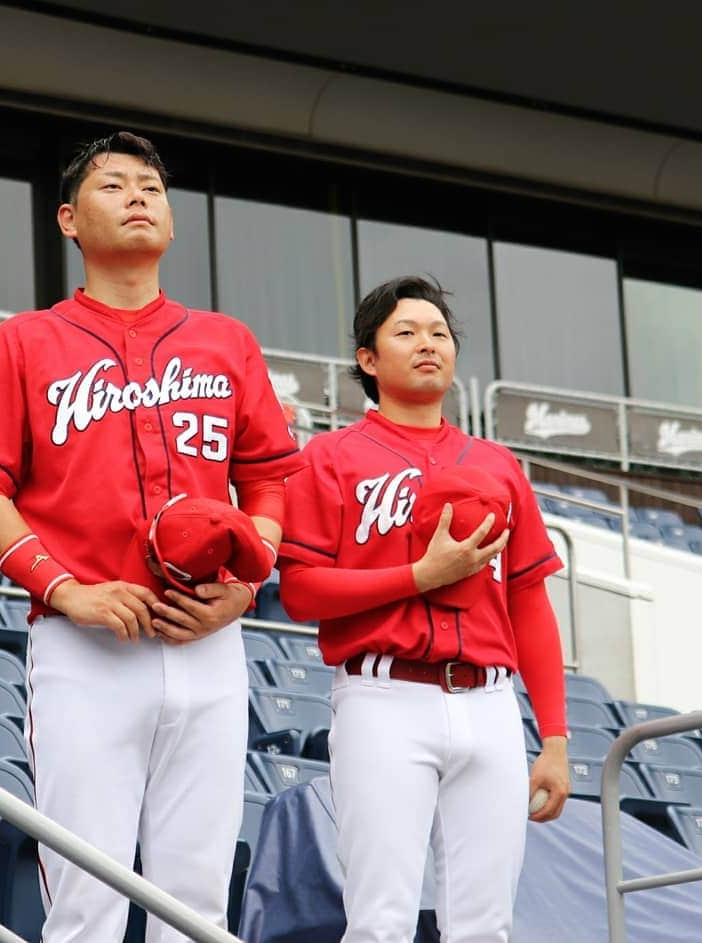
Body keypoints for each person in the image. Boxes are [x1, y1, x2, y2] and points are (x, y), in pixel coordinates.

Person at [0, 132, 301, 942]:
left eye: (152, 187)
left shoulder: (226, 340)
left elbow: (271, 478)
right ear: (68, 218)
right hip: (86, 646)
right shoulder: (27, 341)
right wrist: (66, 588)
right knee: (88, 899)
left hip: (209, 642)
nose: (138, 195)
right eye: (113, 185)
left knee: (197, 901)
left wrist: (247, 584)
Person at [277, 275, 570, 942]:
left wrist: (553, 735)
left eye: (439, 333)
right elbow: (300, 591)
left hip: (491, 702)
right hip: (384, 696)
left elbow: (527, 596)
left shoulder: (496, 463)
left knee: (486, 925)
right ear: (369, 359)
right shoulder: (330, 457)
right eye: (406, 332)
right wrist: (418, 576)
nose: (428, 343)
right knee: (380, 919)